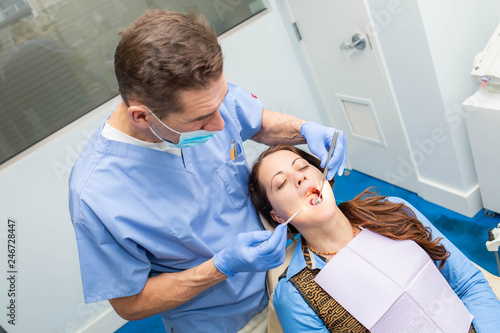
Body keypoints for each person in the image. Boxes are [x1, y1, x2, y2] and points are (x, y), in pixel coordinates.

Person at [68, 9, 347, 333]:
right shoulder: (95, 194)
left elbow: (256, 121)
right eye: (201, 120)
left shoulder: (203, 96)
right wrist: (222, 267)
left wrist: (305, 129)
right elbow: (130, 303)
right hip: (226, 322)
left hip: (289, 278)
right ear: (143, 117)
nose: (219, 125)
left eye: (221, 102)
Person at [248, 144, 500, 333]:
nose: (299, 177)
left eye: (303, 167)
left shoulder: (394, 210)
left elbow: (468, 284)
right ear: (278, 217)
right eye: (281, 183)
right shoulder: (294, 295)